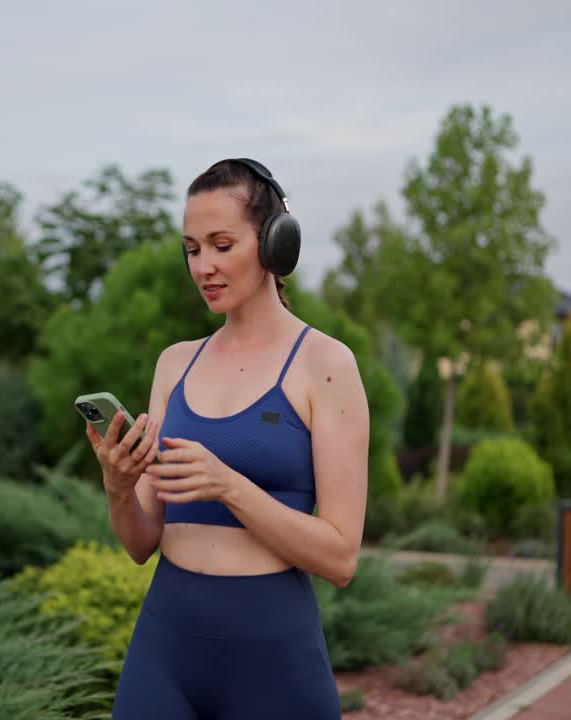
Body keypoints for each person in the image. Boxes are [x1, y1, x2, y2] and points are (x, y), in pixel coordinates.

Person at [84, 158, 370, 719]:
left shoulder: (326, 365)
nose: (204, 266)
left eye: (221, 244)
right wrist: (118, 487)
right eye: (192, 249)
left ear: (274, 244)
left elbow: (341, 558)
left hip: (273, 663)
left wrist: (229, 487)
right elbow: (142, 543)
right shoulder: (175, 365)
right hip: (165, 653)